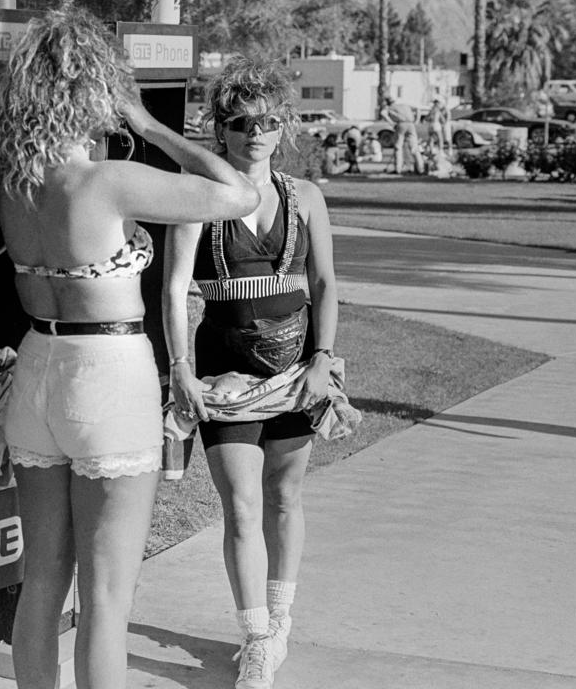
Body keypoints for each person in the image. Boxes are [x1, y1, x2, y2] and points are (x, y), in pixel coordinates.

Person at [0, 5, 259, 689]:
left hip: (38, 372)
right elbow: (238, 192)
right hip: (107, 377)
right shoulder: (106, 181)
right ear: (97, 90)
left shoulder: (14, 180)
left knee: (41, 582)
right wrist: (146, 122)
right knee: (107, 596)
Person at [162, 56, 338, 689]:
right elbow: (176, 287)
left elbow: (323, 284)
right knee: (240, 508)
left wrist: (323, 360)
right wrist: (180, 368)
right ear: (221, 131)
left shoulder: (305, 197)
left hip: (296, 370)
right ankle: (257, 638)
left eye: (266, 120)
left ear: (283, 125)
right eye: (240, 122)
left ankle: (281, 619)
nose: (255, 132)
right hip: (220, 374)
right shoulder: (198, 198)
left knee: (285, 498)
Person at [380, 95, 423, 174]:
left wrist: (391, 123)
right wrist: (417, 120)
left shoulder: (390, 107)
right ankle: (420, 169)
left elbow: (383, 113)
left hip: (401, 124)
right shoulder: (404, 105)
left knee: (398, 147)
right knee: (414, 147)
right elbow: (418, 109)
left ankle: (398, 168)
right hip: (411, 124)